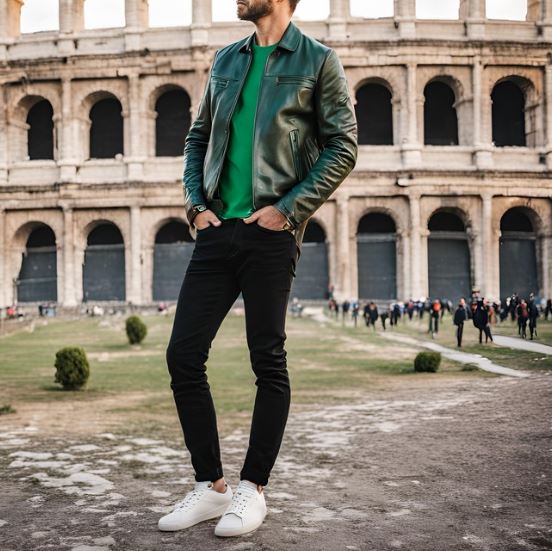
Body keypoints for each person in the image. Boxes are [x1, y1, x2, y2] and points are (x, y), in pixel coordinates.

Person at [162, 0, 358, 538]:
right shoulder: (226, 60)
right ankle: (210, 486)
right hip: (216, 229)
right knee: (183, 355)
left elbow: (343, 145)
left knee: (267, 359)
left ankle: (253, 488)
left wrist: (288, 209)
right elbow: (197, 138)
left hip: (271, 230)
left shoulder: (319, 61)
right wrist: (195, 206)